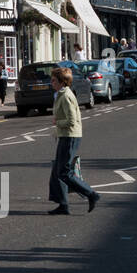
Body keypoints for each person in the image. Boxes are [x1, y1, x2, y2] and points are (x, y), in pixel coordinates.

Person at [49, 65, 101, 215]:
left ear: (61, 82)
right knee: (57, 171)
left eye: (53, 80)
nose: (51, 83)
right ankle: (63, 204)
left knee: (64, 172)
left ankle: (92, 194)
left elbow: (72, 120)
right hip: (66, 135)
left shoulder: (65, 96)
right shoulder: (61, 93)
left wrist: (57, 123)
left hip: (70, 136)